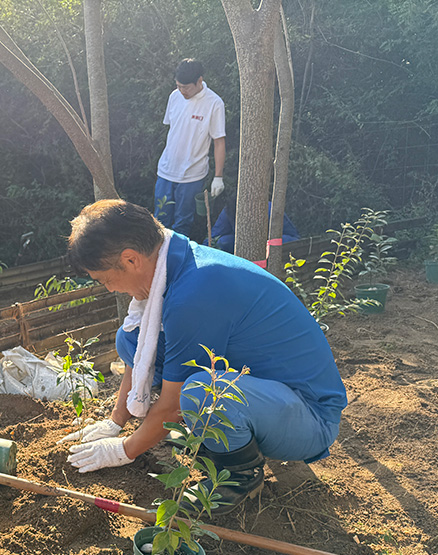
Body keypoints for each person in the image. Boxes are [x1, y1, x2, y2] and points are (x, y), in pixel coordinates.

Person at [60, 199, 346, 512]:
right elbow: (140, 352)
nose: (110, 289)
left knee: (200, 393)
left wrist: (123, 451)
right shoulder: (176, 259)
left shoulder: (193, 294)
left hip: (309, 418)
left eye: (105, 280)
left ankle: (240, 475)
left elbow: (171, 406)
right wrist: (115, 422)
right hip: (270, 397)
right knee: (132, 339)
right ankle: (225, 439)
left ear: (130, 260)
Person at [154, 59, 226, 237]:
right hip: (166, 170)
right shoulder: (174, 96)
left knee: (182, 224)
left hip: (192, 174)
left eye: (186, 87)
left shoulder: (214, 103)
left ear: (199, 81)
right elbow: (173, 129)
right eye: (178, 86)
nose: (182, 91)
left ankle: (176, 262)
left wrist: (218, 176)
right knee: (159, 222)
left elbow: (219, 141)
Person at [210, 201, 299, 254]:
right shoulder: (228, 211)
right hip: (241, 244)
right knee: (222, 242)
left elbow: (294, 239)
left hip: (270, 243)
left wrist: (266, 243)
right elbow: (213, 239)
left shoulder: (270, 210)